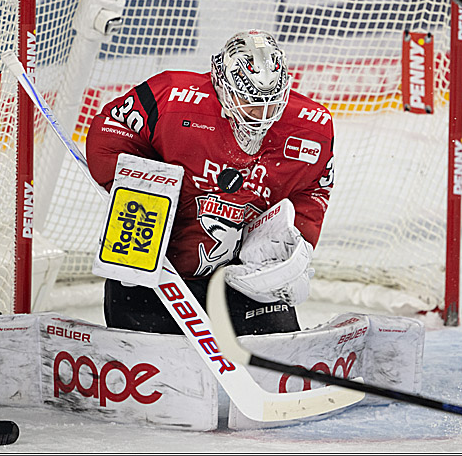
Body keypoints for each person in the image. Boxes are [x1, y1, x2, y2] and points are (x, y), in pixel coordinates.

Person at [86, 29, 334, 335]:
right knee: (143, 355)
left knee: (277, 353)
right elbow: (109, 134)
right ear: (222, 83)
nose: (262, 113)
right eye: (250, 99)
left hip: (244, 280)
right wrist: (146, 193)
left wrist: (294, 244)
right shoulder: (172, 96)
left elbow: (314, 187)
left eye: (271, 101)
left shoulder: (313, 126)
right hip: (158, 274)